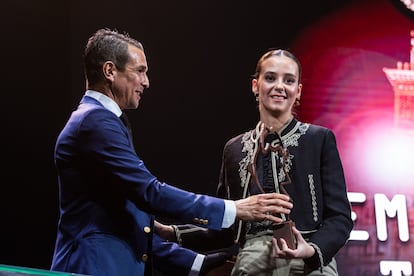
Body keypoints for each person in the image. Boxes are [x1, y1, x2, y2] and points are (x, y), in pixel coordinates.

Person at [50, 28, 293, 276]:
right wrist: (234, 209)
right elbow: (150, 192)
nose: (146, 82)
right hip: (92, 268)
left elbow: (125, 220)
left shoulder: (103, 121)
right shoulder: (95, 123)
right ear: (110, 71)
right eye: (140, 71)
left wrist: (201, 264)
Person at [165, 49, 354, 275]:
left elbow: (340, 217)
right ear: (256, 85)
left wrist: (312, 250)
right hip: (252, 262)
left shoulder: (319, 139)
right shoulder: (234, 149)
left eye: (289, 80)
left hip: (310, 263)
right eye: (271, 78)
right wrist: (172, 232)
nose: (280, 86)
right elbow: (227, 225)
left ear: (298, 90)